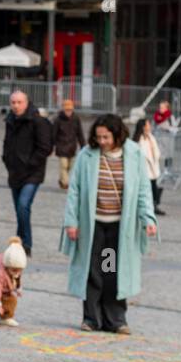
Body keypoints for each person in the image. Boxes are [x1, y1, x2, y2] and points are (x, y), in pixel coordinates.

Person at [61, 112, 157, 335]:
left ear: (117, 135)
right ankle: (91, 318)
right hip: (93, 225)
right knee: (92, 271)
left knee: (111, 270)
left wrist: (148, 218)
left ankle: (114, 319)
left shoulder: (133, 154)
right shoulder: (88, 155)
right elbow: (74, 190)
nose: (101, 141)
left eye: (106, 137)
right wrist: (71, 222)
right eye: (98, 137)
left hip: (117, 227)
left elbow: (143, 190)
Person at [2, 89, 53, 257]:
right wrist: (6, 159)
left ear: (27, 102)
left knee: (24, 205)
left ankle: (27, 244)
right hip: (15, 171)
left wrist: (31, 163)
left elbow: (45, 147)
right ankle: (19, 242)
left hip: (32, 173)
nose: (16, 106)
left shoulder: (38, 121)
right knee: (19, 209)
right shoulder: (10, 120)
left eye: (19, 102)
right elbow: (7, 143)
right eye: (13, 103)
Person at [132, 116, 165, 216]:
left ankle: (154, 206)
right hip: (145, 169)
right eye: (147, 124)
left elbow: (155, 151)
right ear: (143, 127)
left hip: (152, 168)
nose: (149, 126)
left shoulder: (151, 137)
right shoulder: (138, 140)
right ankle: (147, 207)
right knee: (146, 189)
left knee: (154, 188)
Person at [50, 98, 85, 190]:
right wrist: (51, 147)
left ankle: (61, 180)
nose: (68, 112)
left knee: (69, 166)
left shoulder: (76, 119)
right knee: (64, 165)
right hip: (61, 146)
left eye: (70, 110)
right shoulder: (58, 120)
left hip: (72, 147)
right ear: (63, 109)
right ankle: (65, 183)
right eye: (67, 110)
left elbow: (80, 133)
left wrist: (83, 146)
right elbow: (53, 134)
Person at [152, 98, 179, 178]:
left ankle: (168, 171)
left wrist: (168, 129)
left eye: (162, 107)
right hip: (158, 140)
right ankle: (156, 172)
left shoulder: (170, 117)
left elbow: (174, 127)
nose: (160, 109)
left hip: (168, 140)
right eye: (160, 107)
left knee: (168, 155)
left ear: (167, 108)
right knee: (157, 156)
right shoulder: (156, 116)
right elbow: (152, 127)